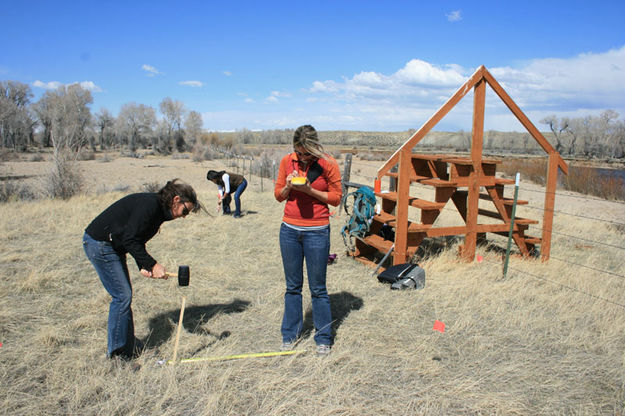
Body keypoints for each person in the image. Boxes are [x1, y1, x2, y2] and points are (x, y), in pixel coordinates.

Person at [82, 179, 200, 361]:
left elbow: (137, 239)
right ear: (176, 200)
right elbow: (130, 239)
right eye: (185, 211)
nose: (184, 216)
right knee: (122, 296)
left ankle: (128, 345)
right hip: (99, 243)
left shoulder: (159, 212)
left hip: (113, 245)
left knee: (124, 295)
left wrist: (143, 265)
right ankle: (117, 355)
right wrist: (152, 264)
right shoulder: (150, 205)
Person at [274, 125, 342, 355]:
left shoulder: (328, 164)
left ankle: (323, 338)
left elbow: (335, 198)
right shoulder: (287, 161)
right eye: (298, 152)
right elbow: (277, 196)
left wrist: (310, 190)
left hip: (317, 232)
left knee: (318, 288)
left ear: (315, 148)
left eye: (306, 153)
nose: (301, 157)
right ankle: (289, 335)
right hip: (289, 231)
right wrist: (288, 187)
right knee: (292, 287)